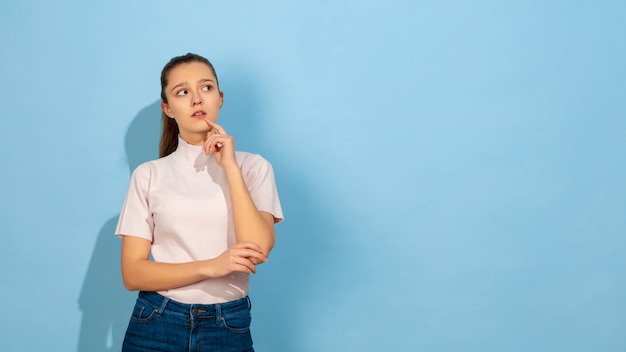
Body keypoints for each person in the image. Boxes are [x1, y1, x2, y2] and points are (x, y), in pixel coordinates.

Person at [115, 52, 283, 351]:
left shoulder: (254, 167)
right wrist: (212, 266)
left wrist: (230, 168)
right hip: (156, 320)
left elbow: (257, 249)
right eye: (183, 92)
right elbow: (133, 273)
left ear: (219, 98)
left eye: (205, 88)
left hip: (227, 324)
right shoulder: (148, 175)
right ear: (168, 108)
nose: (196, 99)